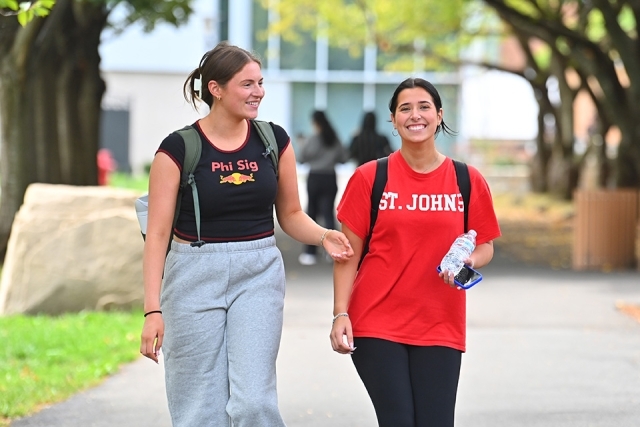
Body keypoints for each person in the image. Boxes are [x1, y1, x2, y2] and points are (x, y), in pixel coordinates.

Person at [139, 41, 353, 427]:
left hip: (258, 270)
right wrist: (153, 310)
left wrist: (323, 235)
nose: (259, 92)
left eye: (260, 82)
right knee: (198, 408)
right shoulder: (177, 149)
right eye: (247, 84)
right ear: (216, 89)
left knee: (254, 402)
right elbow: (157, 236)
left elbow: (290, 214)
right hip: (192, 273)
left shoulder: (274, 141)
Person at [329, 77, 501, 427]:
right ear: (392, 120)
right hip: (376, 321)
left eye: (424, 107)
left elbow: (485, 246)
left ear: (439, 115)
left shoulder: (467, 180)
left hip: (440, 322)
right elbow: (347, 254)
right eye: (404, 108)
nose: (414, 115)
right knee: (399, 420)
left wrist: (469, 259)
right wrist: (339, 314)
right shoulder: (369, 178)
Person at [296, 110, 349, 265]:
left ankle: (310, 252)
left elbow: (302, 158)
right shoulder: (334, 137)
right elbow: (344, 157)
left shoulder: (312, 139)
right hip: (330, 177)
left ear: (315, 122)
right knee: (327, 213)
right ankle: (331, 250)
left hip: (315, 177)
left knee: (311, 213)